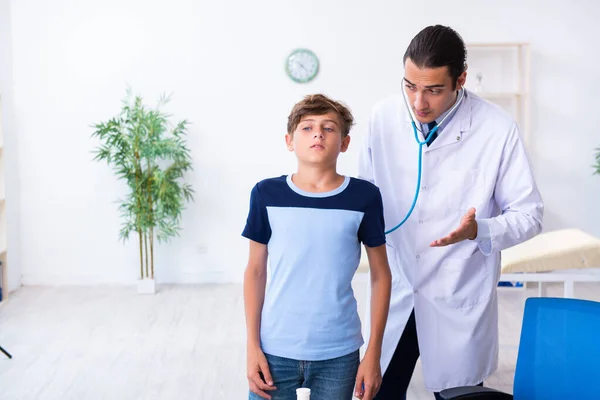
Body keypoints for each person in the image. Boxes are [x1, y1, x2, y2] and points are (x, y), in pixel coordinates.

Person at [358, 25, 544, 399]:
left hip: (457, 287)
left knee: (459, 395)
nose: (418, 102)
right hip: (396, 285)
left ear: (460, 79)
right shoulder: (383, 118)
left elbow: (529, 214)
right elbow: (366, 198)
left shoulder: (496, 128)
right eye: (410, 85)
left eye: (433, 90)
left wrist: (480, 230)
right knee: (379, 392)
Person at [242, 94, 392, 400]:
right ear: (289, 140)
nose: (318, 134)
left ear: (345, 143)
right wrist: (252, 347)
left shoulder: (364, 197)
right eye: (307, 128)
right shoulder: (266, 193)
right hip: (274, 349)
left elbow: (381, 275)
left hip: (339, 352)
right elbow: (255, 271)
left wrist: (373, 352)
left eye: (329, 127)